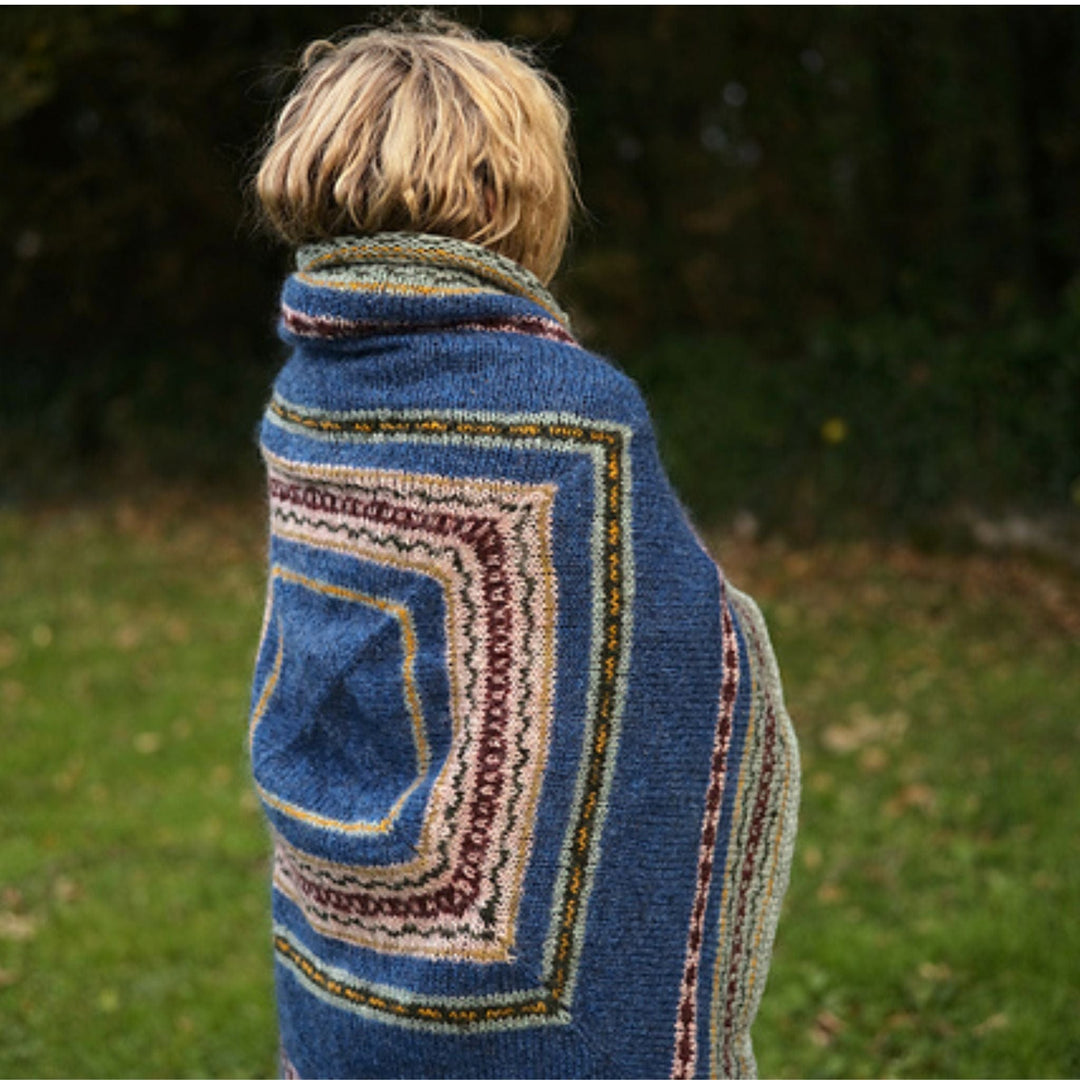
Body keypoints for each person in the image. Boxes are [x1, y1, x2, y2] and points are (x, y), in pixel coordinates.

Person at [248, 16, 798, 1079]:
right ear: (513, 196)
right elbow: (672, 678)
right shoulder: (567, 419)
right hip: (518, 980)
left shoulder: (308, 393)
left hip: (339, 920)